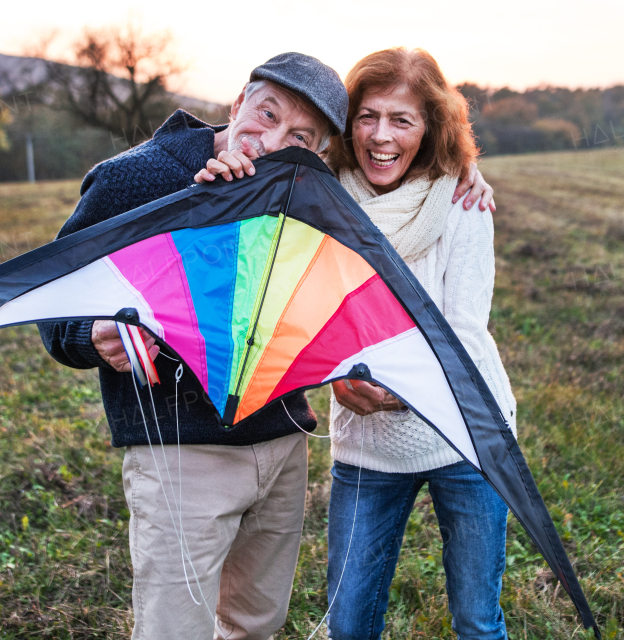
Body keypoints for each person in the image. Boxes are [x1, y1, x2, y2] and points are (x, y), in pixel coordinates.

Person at [38, 51, 495, 640]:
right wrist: (89, 335)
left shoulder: (302, 189)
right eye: (266, 114)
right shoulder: (136, 177)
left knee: (256, 623)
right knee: (174, 630)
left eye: (299, 135)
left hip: (280, 445)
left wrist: (461, 169)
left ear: (316, 149)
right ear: (237, 104)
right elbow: (56, 301)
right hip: (183, 452)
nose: (272, 138)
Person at [197, 47, 516, 640]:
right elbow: (294, 311)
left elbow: (464, 335)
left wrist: (394, 392)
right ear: (347, 125)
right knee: (349, 624)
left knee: (476, 619)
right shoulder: (319, 198)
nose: (381, 136)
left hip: (468, 433)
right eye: (368, 116)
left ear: (431, 127)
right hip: (368, 447)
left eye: (403, 120)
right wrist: (333, 374)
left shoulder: (463, 203)